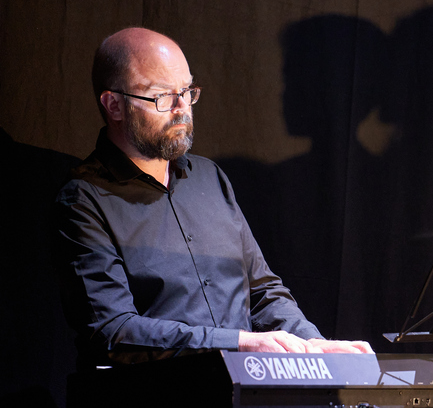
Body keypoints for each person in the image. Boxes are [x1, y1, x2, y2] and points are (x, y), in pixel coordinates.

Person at [54, 27, 372, 370]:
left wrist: (313, 344)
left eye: (187, 91)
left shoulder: (209, 178)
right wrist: (240, 343)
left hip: (242, 385)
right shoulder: (84, 200)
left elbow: (263, 290)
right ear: (114, 105)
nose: (181, 108)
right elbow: (112, 330)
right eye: (162, 96)